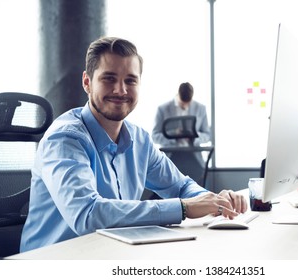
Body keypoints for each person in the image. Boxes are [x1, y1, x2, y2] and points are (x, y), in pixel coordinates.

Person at [20, 37, 247, 252]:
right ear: (87, 82)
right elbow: (87, 215)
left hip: (111, 254)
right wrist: (184, 208)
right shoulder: (65, 139)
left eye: (130, 80)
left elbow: (180, 187)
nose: (121, 90)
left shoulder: (139, 140)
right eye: (109, 78)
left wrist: (214, 201)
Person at [152, 82, 211, 147]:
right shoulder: (162, 109)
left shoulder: (200, 108)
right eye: (182, 104)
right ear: (178, 95)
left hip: (193, 153)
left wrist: (194, 136)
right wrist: (174, 134)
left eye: (188, 104)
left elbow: (207, 135)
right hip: (170, 153)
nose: (185, 106)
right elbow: (155, 137)